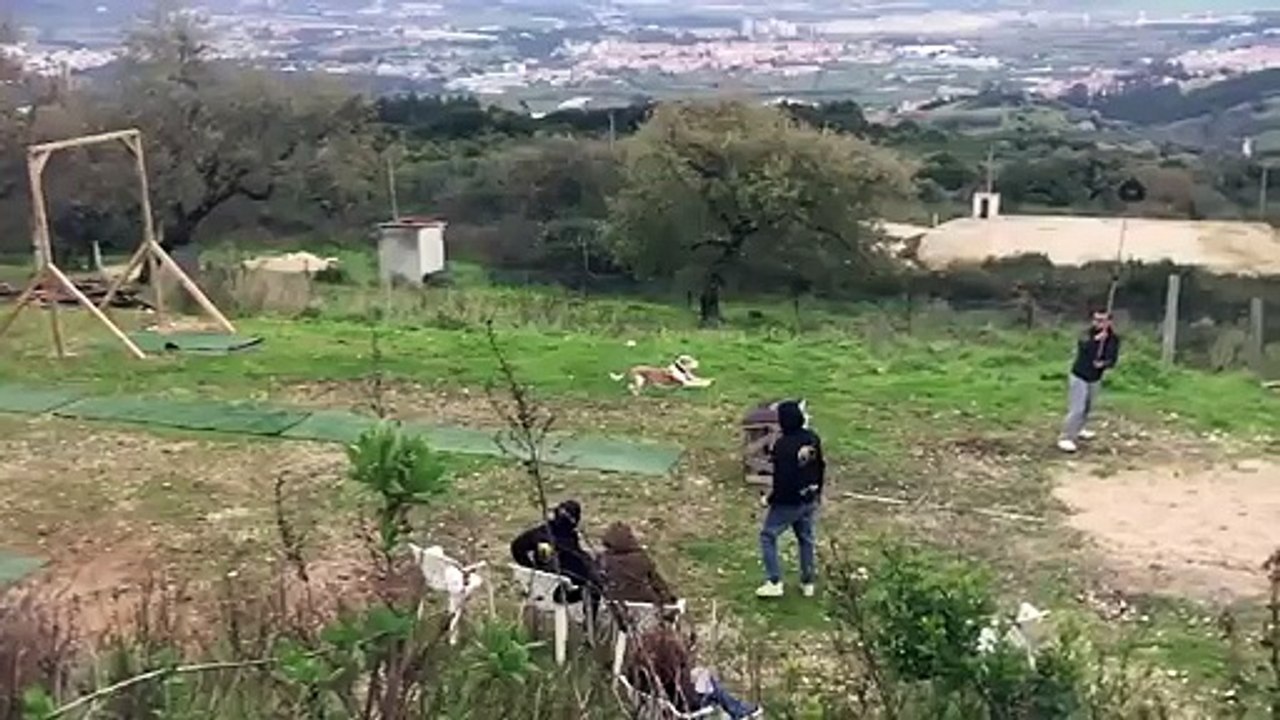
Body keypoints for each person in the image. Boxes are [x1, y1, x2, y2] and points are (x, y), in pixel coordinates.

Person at [757, 399, 825, 599]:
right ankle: (808, 582)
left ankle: (774, 581)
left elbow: (782, 480)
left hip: (789, 502)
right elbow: (820, 466)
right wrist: (818, 491)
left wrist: (769, 500)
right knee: (805, 539)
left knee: (768, 536)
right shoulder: (812, 437)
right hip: (810, 496)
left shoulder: (783, 446)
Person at [624, 625, 761, 719]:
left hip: (656, 708)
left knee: (702, 675)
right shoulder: (678, 687)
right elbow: (691, 700)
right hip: (687, 709)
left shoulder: (636, 674)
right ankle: (736, 710)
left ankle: (734, 707)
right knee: (709, 682)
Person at [510, 499, 603, 600]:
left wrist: (530, 567)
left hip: (548, 577)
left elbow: (517, 547)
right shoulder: (563, 541)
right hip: (561, 582)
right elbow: (576, 560)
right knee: (595, 586)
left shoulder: (541, 532)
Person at [1058, 308, 1120, 454]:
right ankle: (1065, 437)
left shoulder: (1113, 339)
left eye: (1101, 320)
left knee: (1088, 407)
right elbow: (1083, 348)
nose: (1097, 323)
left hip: (1095, 377)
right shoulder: (1087, 334)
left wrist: (1103, 363)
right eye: (1095, 320)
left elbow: (1112, 359)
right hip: (1079, 375)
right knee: (1077, 408)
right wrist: (1096, 341)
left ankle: (1080, 429)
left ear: (1109, 322)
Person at [598, 522, 677, 606]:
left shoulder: (603, 558)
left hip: (613, 602)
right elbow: (656, 582)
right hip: (644, 600)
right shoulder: (641, 558)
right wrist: (668, 599)